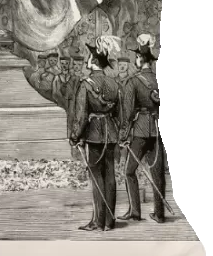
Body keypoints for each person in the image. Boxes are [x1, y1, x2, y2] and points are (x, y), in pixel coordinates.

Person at [70, 36, 122, 231]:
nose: (86, 60)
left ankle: (98, 222)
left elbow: (81, 115)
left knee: (97, 177)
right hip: (112, 133)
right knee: (110, 176)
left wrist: (75, 136)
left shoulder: (86, 84)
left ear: (94, 61)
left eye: (89, 57)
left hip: (94, 134)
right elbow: (119, 114)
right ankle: (109, 221)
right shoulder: (114, 84)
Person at [118, 36, 166, 224]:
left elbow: (128, 112)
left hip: (139, 131)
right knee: (157, 173)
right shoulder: (160, 79)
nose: (136, 60)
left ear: (140, 59)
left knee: (129, 172)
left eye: (137, 57)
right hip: (157, 129)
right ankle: (160, 214)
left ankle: (135, 212)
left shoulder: (133, 81)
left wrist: (123, 135)